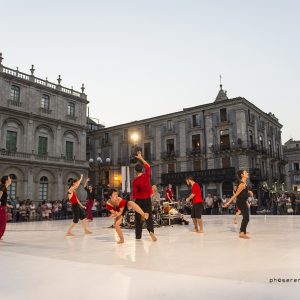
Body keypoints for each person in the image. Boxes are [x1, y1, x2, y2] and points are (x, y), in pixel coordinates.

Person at [132, 152, 157, 241]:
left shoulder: (135, 181)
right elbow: (148, 166)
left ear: (135, 171)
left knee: (138, 218)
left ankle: (138, 236)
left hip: (139, 200)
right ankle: (151, 232)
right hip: (147, 199)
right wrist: (141, 158)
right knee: (149, 217)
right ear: (142, 170)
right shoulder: (146, 176)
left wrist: (133, 204)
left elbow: (134, 195)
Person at [223, 170, 253, 239]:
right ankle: (242, 233)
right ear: (242, 175)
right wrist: (228, 203)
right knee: (246, 217)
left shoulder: (244, 184)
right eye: (246, 173)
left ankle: (243, 231)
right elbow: (236, 195)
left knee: (246, 217)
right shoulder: (242, 184)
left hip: (243, 201)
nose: (247, 173)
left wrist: (249, 193)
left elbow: (243, 194)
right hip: (241, 202)